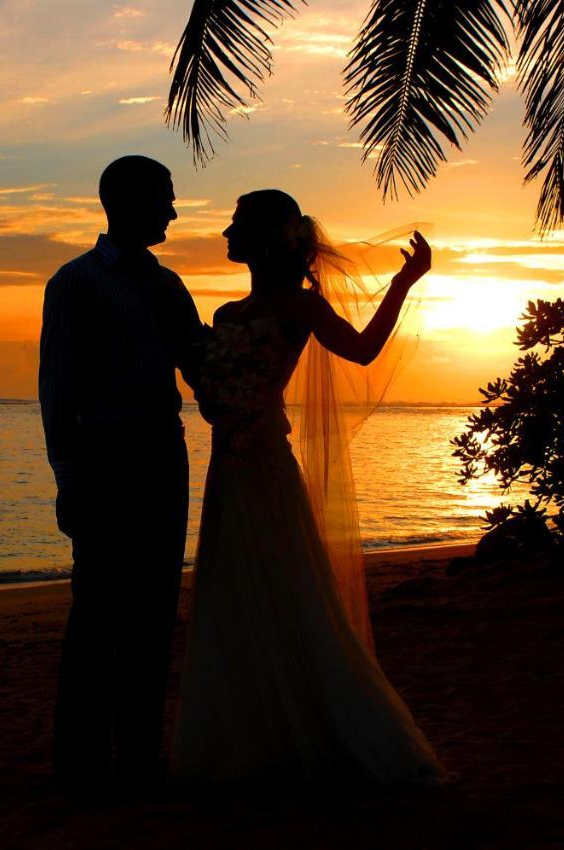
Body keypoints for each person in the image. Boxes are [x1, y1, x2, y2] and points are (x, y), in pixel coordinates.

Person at [170, 189, 453, 788]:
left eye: (238, 223)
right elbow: (206, 386)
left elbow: (363, 350)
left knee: (286, 584)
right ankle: (253, 734)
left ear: (269, 237)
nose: (226, 231)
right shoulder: (225, 317)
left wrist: (404, 283)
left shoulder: (301, 309)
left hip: (267, 460)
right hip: (229, 464)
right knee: (234, 592)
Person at [38, 155, 203, 799]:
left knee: (155, 611)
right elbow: (57, 389)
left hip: (163, 453)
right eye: (164, 197)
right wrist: (69, 476)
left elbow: (199, 361)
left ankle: (139, 757)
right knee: (98, 613)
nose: (172, 210)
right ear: (124, 202)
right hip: (104, 457)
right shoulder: (74, 283)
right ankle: (79, 767)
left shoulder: (168, 286)